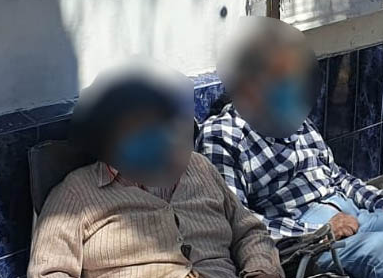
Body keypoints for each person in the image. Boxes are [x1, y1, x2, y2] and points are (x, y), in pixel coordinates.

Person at [198, 16, 383, 278]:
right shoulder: (223, 136)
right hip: (305, 243)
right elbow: (238, 222)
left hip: (353, 215)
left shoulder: (294, 117)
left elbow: (337, 176)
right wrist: (318, 230)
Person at [29, 62, 283, 278]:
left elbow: (249, 232)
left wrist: (261, 270)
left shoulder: (199, 167)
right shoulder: (76, 193)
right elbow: (49, 271)